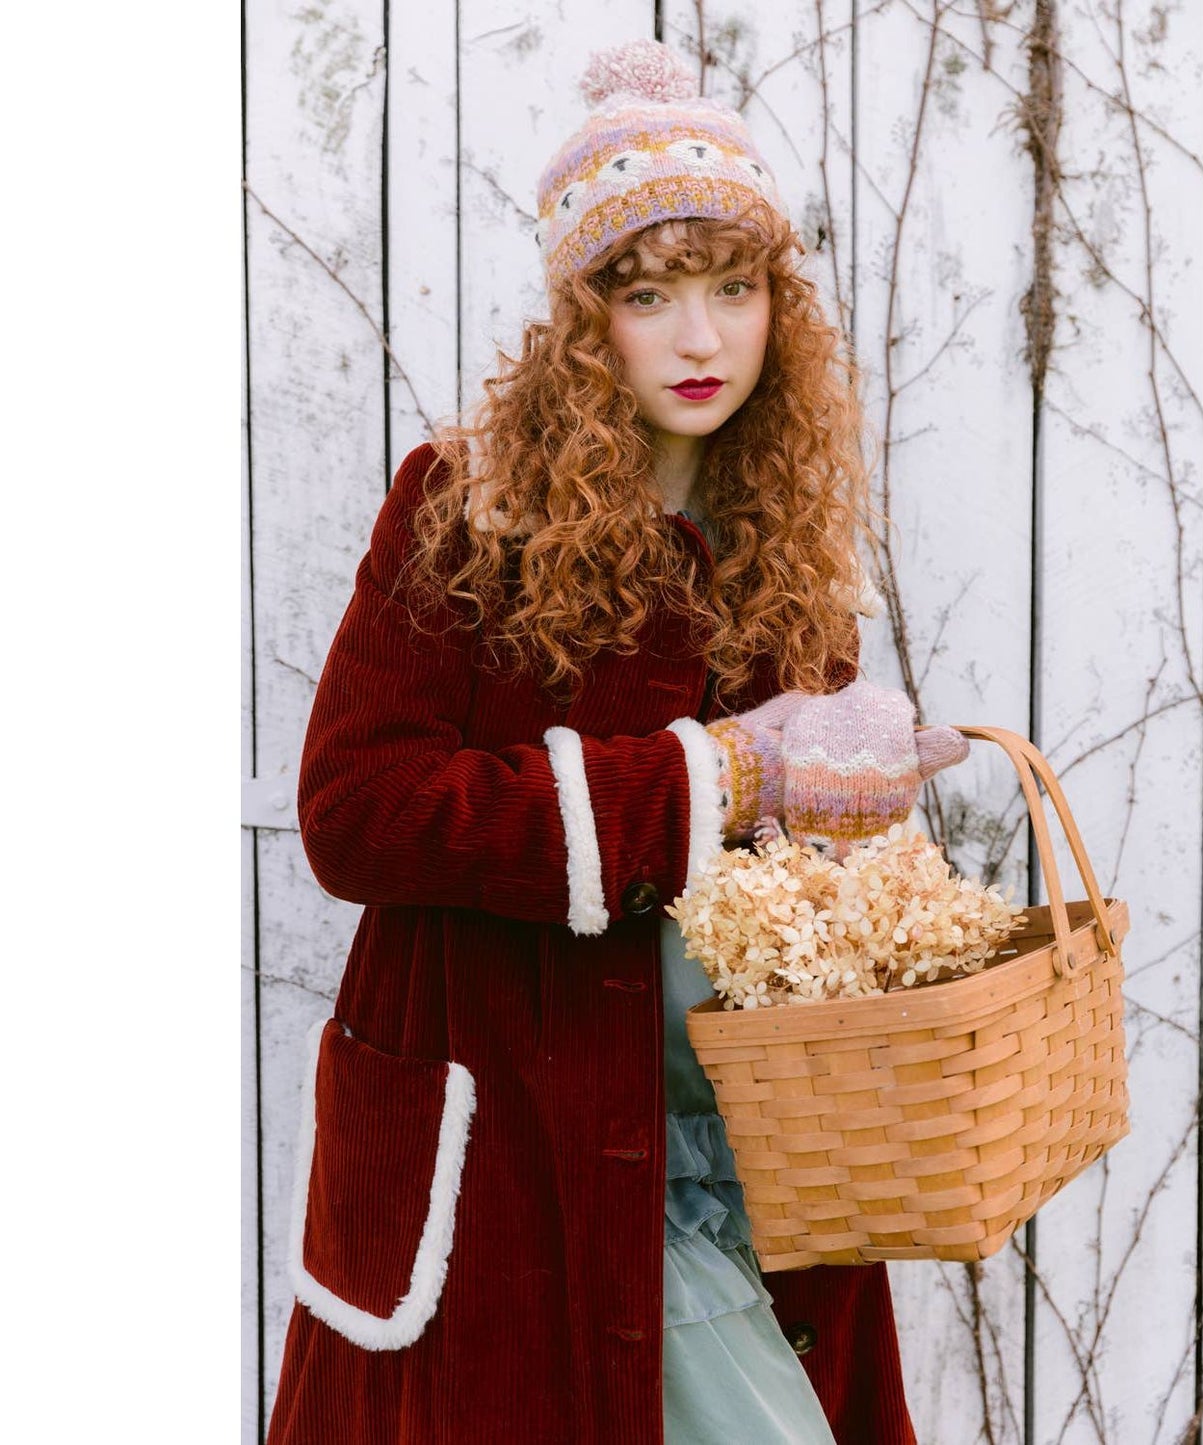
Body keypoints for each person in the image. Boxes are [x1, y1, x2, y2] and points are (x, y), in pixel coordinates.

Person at [265, 38, 967, 1445]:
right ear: (587, 320)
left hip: (735, 1150)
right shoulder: (464, 510)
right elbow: (355, 809)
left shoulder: (784, 536)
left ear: (777, 306)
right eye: (649, 295)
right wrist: (727, 773)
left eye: (733, 287)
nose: (701, 339)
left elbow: (788, 875)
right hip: (516, 1141)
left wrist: (860, 826)